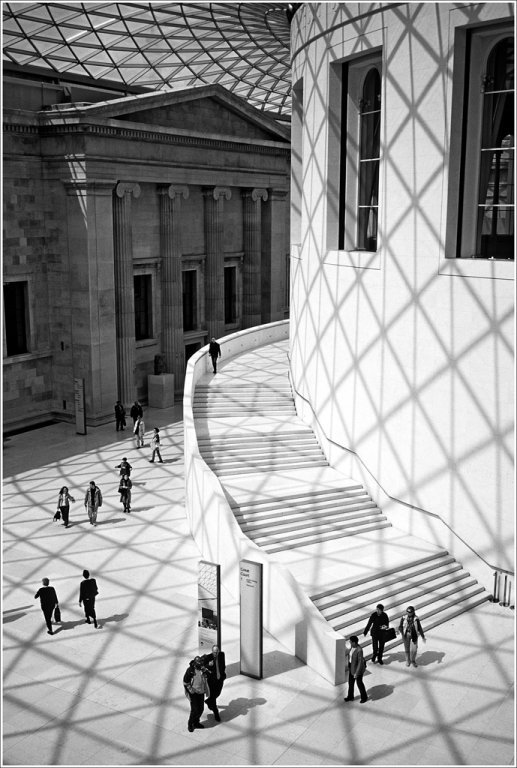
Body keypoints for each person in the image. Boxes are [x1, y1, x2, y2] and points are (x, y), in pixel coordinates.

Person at [183, 656, 210, 732]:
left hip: (201, 692)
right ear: (195, 663)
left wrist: (206, 671)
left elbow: (208, 675)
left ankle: (196, 722)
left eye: (201, 663)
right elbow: (185, 682)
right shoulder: (190, 670)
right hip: (194, 693)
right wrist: (191, 690)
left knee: (201, 709)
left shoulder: (202, 669)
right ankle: (190, 724)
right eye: (199, 663)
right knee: (194, 710)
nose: (201, 664)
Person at [203, 644, 226, 721]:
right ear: (212, 651)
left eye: (217, 652)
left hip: (220, 678)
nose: (216, 653)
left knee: (218, 693)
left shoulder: (222, 655)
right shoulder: (208, 657)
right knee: (213, 696)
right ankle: (216, 713)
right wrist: (209, 665)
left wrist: (223, 674)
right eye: (214, 652)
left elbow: (223, 665)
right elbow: (203, 667)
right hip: (212, 680)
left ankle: (209, 701)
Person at [344, 636, 368, 703]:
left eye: (350, 642)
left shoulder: (359, 650)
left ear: (354, 642)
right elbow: (350, 655)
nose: (350, 642)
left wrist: (356, 673)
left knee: (359, 683)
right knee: (351, 683)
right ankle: (350, 697)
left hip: (358, 669)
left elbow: (360, 662)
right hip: (351, 667)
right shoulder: (352, 647)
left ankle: (364, 697)